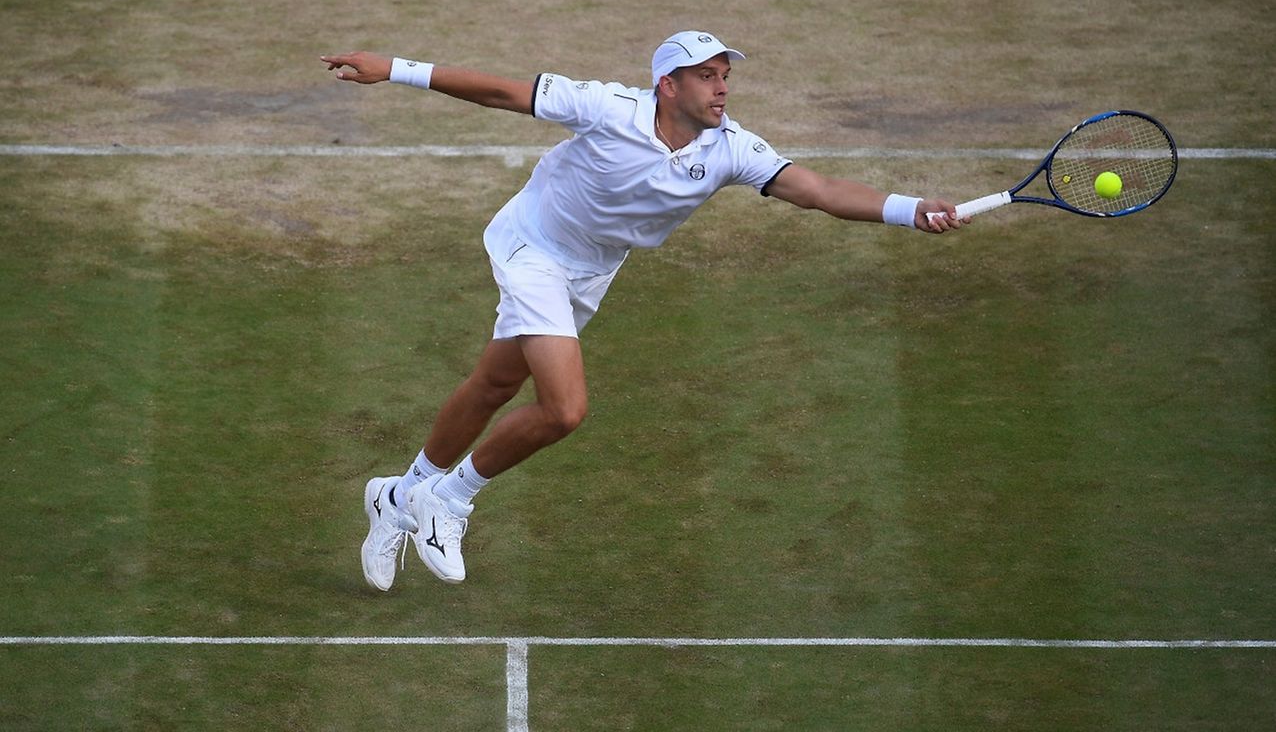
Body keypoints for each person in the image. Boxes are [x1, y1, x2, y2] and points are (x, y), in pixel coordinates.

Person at [320, 31, 966, 590]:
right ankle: (448, 501)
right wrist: (394, 68)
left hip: (591, 270)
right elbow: (502, 93)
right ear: (667, 85)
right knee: (565, 409)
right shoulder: (606, 108)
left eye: (725, 78)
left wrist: (910, 210)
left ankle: (398, 496)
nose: (722, 90)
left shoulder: (731, 149)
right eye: (707, 77)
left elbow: (819, 190)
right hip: (532, 249)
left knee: (495, 383)